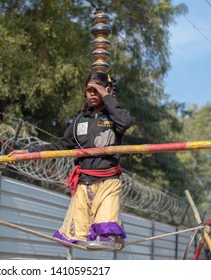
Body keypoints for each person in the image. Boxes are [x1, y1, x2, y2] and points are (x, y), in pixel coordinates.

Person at [10, 71, 132, 247]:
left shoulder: (115, 117)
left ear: (107, 91)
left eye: (96, 90)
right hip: (84, 183)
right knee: (75, 236)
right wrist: (29, 153)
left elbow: (126, 122)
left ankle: (113, 234)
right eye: (89, 90)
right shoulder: (80, 121)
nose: (92, 94)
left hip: (108, 181)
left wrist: (106, 95)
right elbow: (60, 146)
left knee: (106, 232)